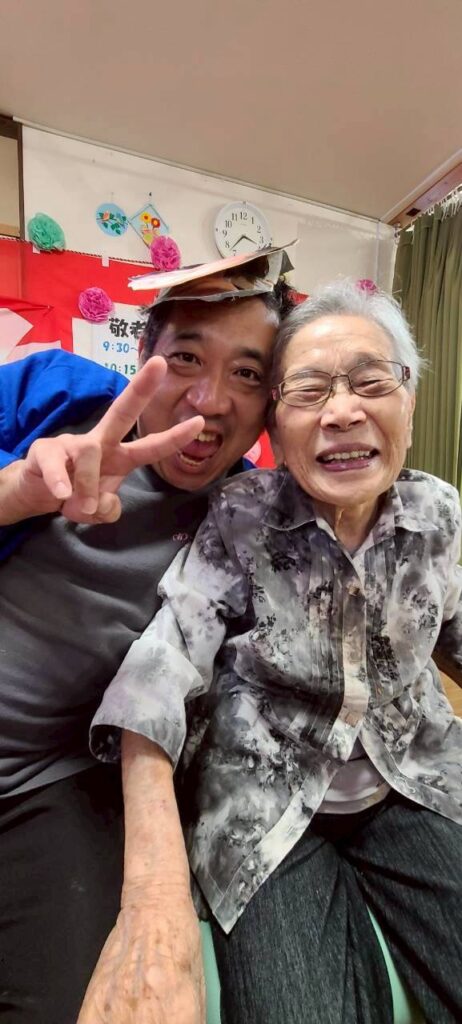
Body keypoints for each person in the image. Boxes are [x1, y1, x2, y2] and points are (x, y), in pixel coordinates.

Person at [93, 279, 462, 1024]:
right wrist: (152, 892)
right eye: (309, 390)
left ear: (410, 401)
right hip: (264, 805)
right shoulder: (242, 515)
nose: (342, 411)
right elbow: (165, 659)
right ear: (277, 424)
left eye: (370, 382)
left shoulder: (439, 514)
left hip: (414, 782)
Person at [0, 247, 292, 1024]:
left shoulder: (245, 519)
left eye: (246, 374)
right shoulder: (55, 397)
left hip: (45, 784)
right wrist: (18, 491)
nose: (209, 400)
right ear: (142, 355)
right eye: (186, 358)